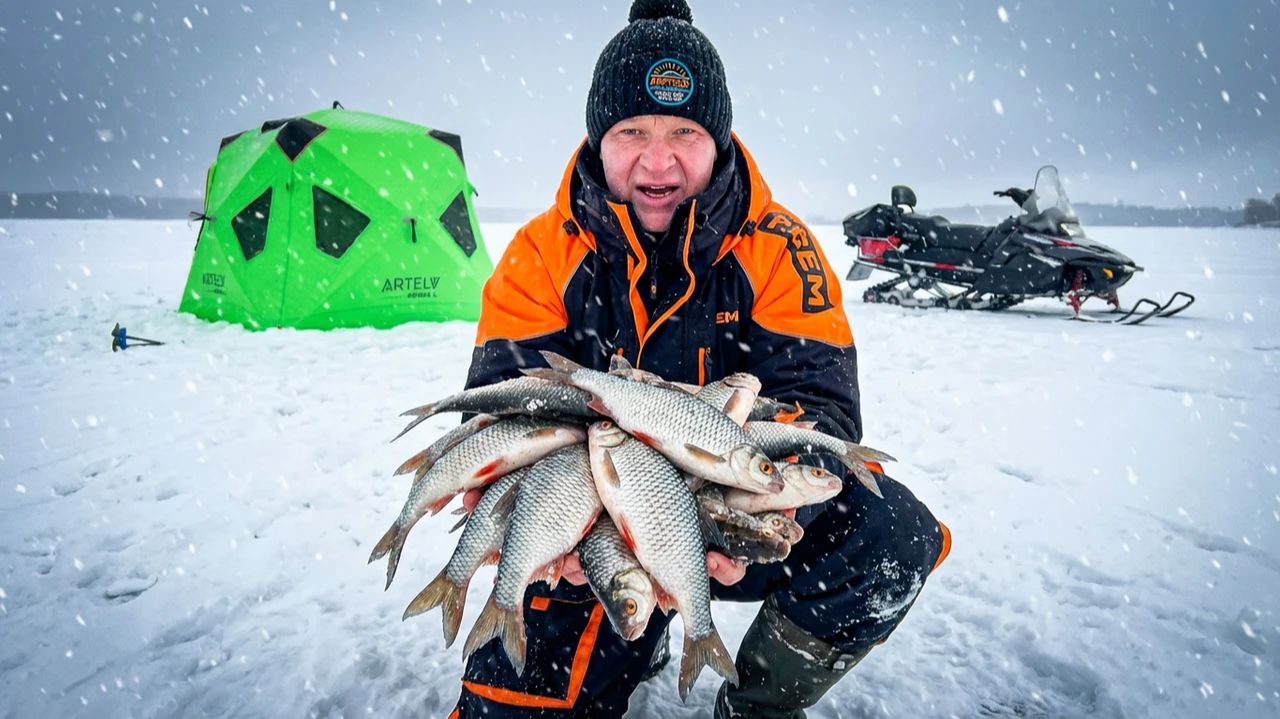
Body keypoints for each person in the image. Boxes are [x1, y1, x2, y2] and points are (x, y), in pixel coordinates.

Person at [452, 1, 950, 716]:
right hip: (585, 533)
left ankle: (759, 702)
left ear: (718, 137)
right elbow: (500, 403)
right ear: (599, 139)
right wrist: (556, 515)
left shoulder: (779, 247)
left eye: (684, 131)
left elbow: (826, 417)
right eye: (632, 133)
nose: (659, 161)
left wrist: (735, 514)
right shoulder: (539, 253)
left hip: (735, 525)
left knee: (889, 532)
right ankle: (637, 626)